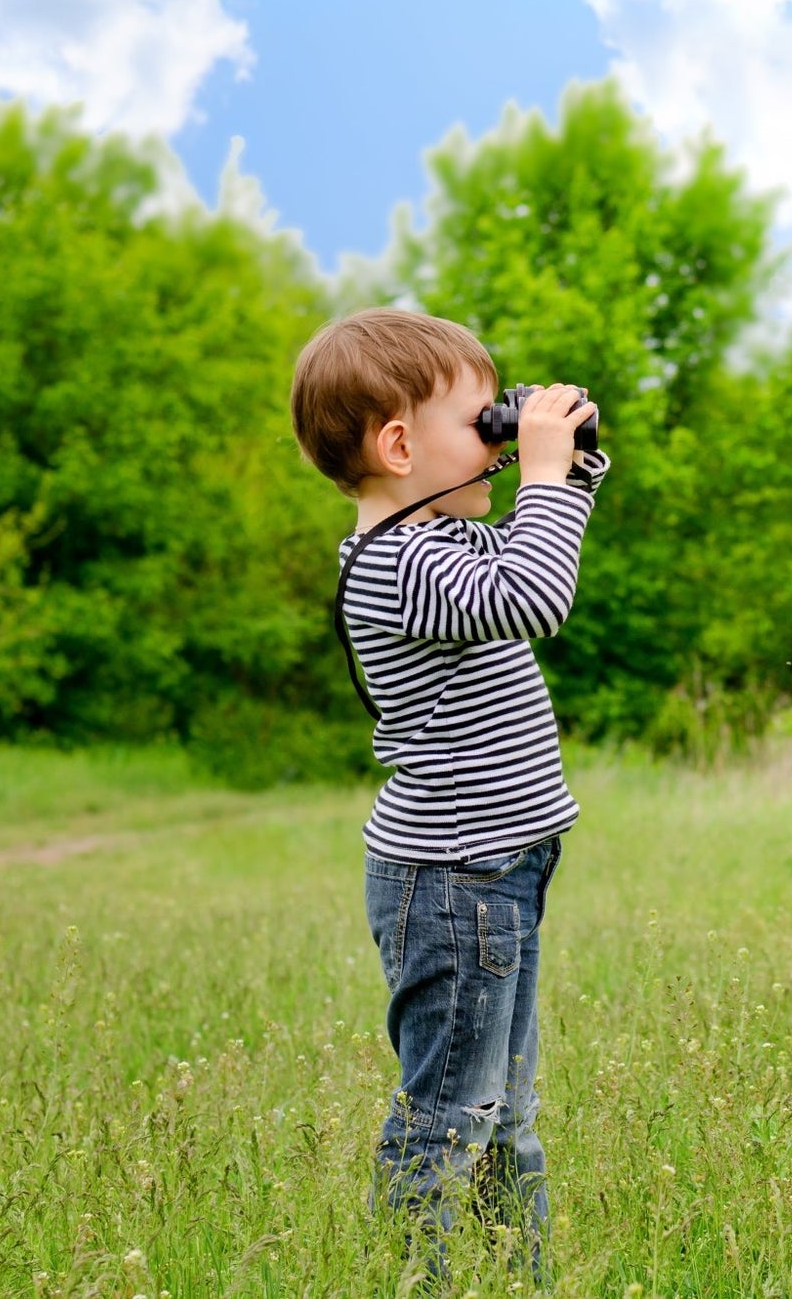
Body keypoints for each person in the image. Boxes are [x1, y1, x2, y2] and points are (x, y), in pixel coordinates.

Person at [289, 307, 609, 1287]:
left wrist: (570, 465)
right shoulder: (400, 564)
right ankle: (413, 1278)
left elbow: (526, 557)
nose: (499, 443)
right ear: (397, 444)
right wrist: (545, 475)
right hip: (456, 881)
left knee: (505, 1113)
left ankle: (520, 1277)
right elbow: (536, 595)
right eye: (482, 423)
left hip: (495, 870)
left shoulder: (434, 542)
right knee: (452, 1115)